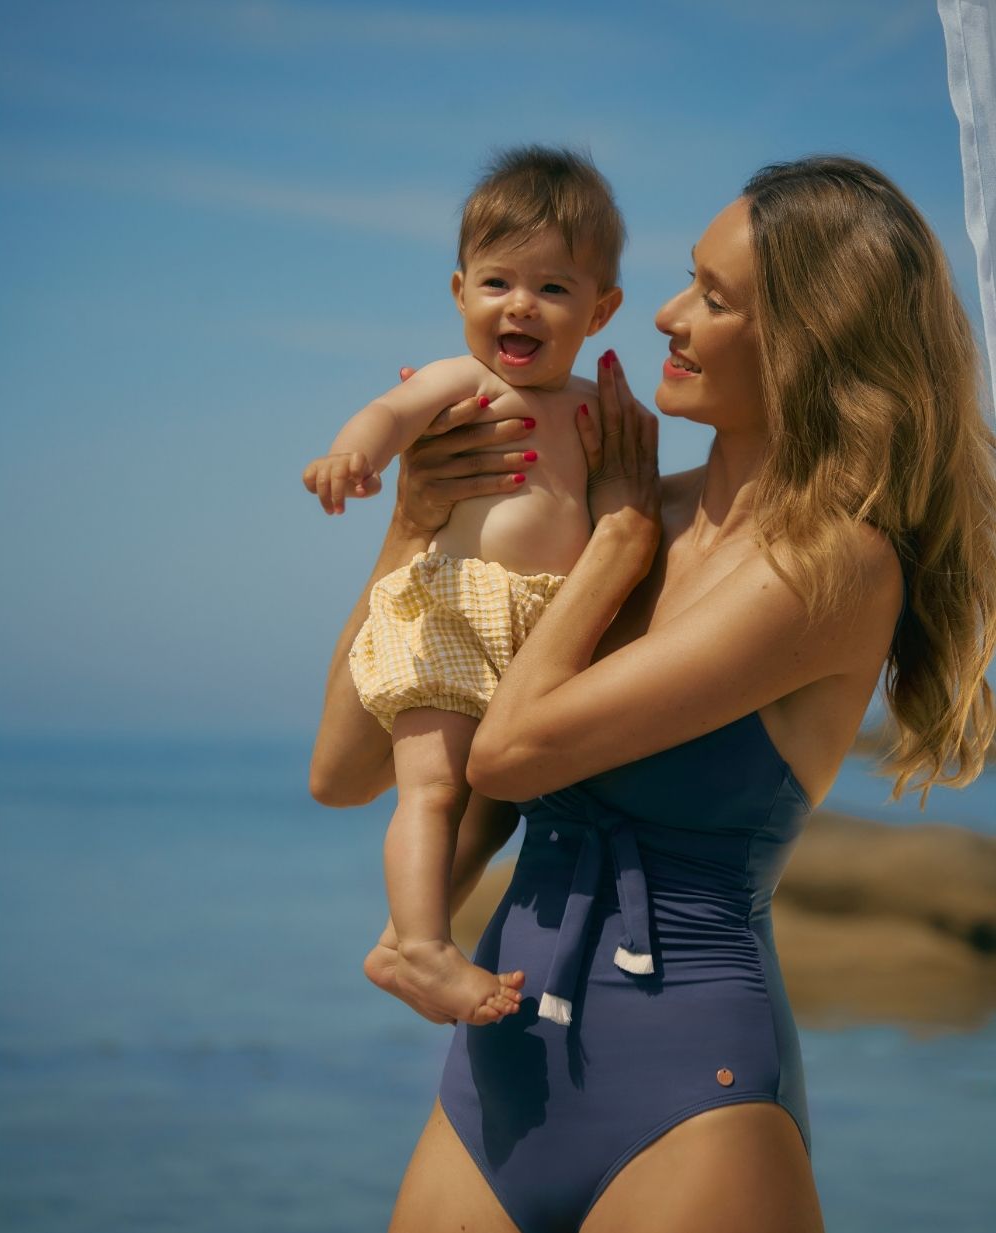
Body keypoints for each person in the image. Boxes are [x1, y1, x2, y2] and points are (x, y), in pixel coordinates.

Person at [309, 156, 996, 1232]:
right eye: (687, 280)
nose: (670, 316)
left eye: (714, 299)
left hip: (687, 1099)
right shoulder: (614, 515)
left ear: (809, 341)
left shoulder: (829, 567)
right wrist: (414, 524)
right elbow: (345, 773)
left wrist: (614, 544)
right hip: (495, 1080)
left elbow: (509, 754)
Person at [302, 147, 624, 1026]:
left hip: (539, 630)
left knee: (493, 813)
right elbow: (388, 414)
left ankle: (405, 935)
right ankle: (425, 947)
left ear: (601, 310)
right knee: (433, 791)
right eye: (497, 282)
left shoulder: (597, 404)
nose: (520, 305)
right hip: (455, 612)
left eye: (554, 289)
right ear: (459, 293)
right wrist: (354, 455)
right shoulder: (465, 382)